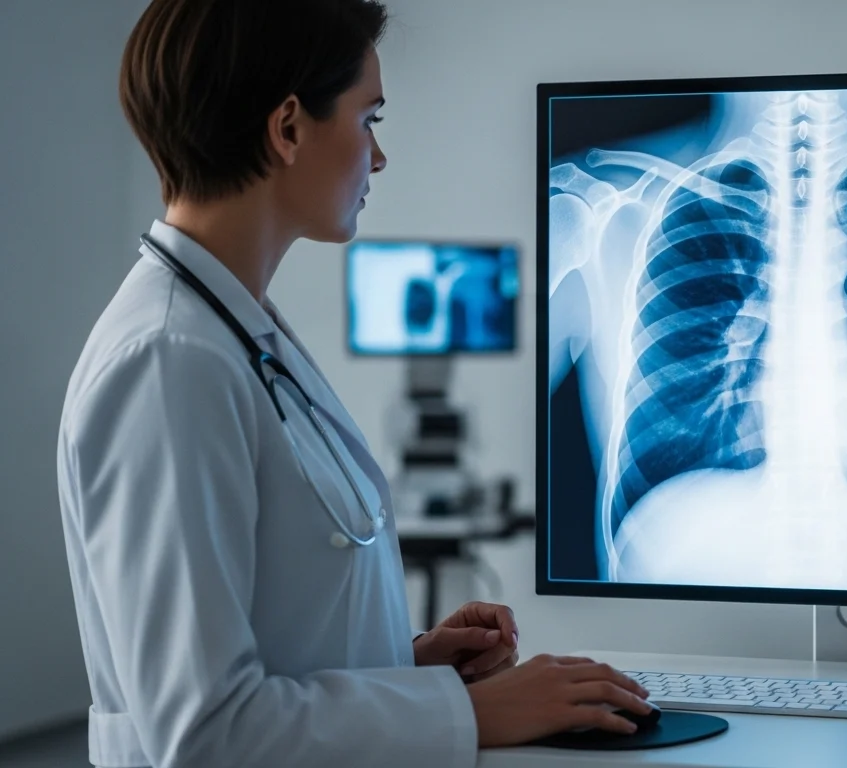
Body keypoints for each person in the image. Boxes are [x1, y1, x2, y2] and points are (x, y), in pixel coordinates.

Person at [55, 1, 652, 766]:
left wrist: (405, 665)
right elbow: (206, 736)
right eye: (369, 118)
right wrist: (466, 714)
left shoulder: (237, 335)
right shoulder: (170, 362)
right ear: (289, 128)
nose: (378, 157)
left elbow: (273, 628)